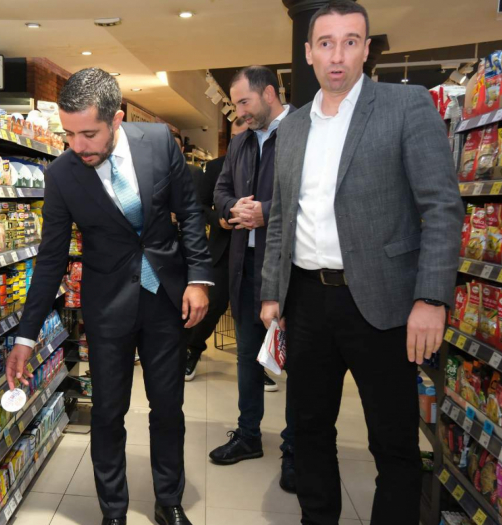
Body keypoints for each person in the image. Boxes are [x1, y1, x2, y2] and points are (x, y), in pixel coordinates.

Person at [259, 2, 462, 523]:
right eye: (326, 43)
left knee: (393, 442)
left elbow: (441, 207)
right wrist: (272, 291)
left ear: (367, 49)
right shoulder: (294, 127)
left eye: (350, 42)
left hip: (384, 301)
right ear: (308, 53)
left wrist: (431, 298)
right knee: (309, 431)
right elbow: (281, 216)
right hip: (306, 302)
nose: (337, 56)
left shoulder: (405, 105)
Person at [5, 67, 213, 525]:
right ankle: (113, 511)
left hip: (166, 299)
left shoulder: (158, 142)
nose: (77, 146)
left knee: (168, 408)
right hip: (107, 306)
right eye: (68, 134)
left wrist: (199, 277)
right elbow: (51, 258)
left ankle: (168, 500)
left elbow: (190, 212)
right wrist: (25, 336)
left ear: (116, 118)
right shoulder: (62, 175)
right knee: (107, 412)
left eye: (89, 134)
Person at [210, 66, 296, 493]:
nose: (239, 112)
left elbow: (314, 196)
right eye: (235, 104)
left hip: (291, 271)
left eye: (244, 102)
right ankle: (248, 435)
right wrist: (234, 209)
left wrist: (267, 211)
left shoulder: (301, 132)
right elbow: (220, 191)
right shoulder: (241, 142)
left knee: (297, 362)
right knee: (247, 357)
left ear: (269, 93)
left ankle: (296, 449)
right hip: (244, 267)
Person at [182, 118, 247, 382]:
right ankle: (193, 349)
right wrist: (218, 219)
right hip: (222, 248)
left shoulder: (268, 164)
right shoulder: (216, 166)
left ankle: (255, 365)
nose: (238, 142)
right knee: (213, 304)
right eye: (234, 137)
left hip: (256, 249)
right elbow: (200, 205)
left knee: (251, 310)